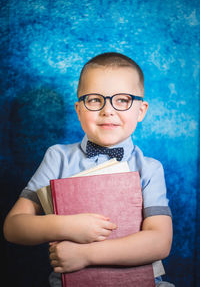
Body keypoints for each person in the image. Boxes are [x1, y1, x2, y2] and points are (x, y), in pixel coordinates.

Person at [3, 52, 174, 286]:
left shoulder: (150, 169)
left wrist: (85, 255)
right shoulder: (58, 158)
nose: (108, 110)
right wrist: (68, 226)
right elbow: (14, 227)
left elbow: (160, 242)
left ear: (141, 110)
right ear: (78, 109)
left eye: (122, 100)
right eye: (95, 100)